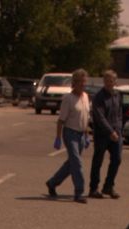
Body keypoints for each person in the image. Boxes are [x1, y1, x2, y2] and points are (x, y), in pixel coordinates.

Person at [46, 69, 91, 203]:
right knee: (77, 162)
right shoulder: (68, 98)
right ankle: (79, 192)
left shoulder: (85, 96)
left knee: (71, 164)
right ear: (74, 83)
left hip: (81, 134)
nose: (83, 85)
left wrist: (86, 135)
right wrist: (58, 137)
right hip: (70, 133)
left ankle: (52, 183)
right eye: (80, 82)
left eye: (84, 82)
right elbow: (61, 120)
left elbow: (86, 118)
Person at [89, 70, 123, 200]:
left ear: (115, 82)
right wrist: (110, 131)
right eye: (107, 81)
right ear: (104, 81)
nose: (109, 83)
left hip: (116, 134)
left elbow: (119, 114)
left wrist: (118, 129)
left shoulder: (117, 95)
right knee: (98, 161)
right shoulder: (99, 97)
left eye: (111, 81)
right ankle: (93, 188)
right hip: (102, 135)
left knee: (117, 159)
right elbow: (99, 117)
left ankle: (108, 186)